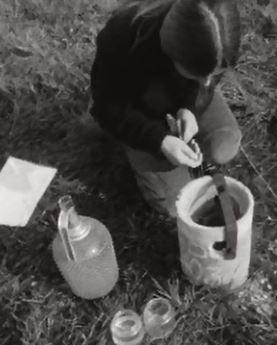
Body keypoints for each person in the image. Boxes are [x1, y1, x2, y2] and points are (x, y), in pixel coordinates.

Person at [90, 0, 242, 216]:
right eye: (197, 73)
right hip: (134, 112)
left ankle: (184, 145)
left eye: (215, 74)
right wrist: (160, 140)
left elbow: (205, 82)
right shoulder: (122, 39)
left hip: (174, 96)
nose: (208, 83)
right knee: (175, 203)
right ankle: (145, 155)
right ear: (170, 51)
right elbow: (106, 108)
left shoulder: (219, 34)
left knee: (224, 145)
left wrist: (189, 109)